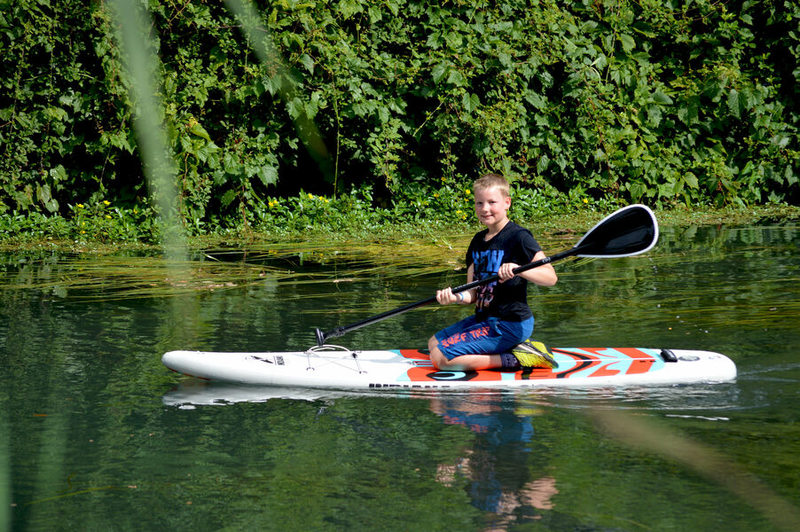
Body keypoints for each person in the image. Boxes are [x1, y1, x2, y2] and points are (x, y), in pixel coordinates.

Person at [427, 173, 558, 371]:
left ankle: (518, 358)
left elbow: (550, 277)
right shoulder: (477, 242)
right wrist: (454, 298)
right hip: (484, 319)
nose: (485, 209)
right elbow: (472, 293)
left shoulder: (519, 237)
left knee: (441, 359)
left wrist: (519, 270)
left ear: (507, 202)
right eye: (479, 203)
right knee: (433, 344)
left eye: (491, 202)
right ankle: (509, 349)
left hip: (510, 323)